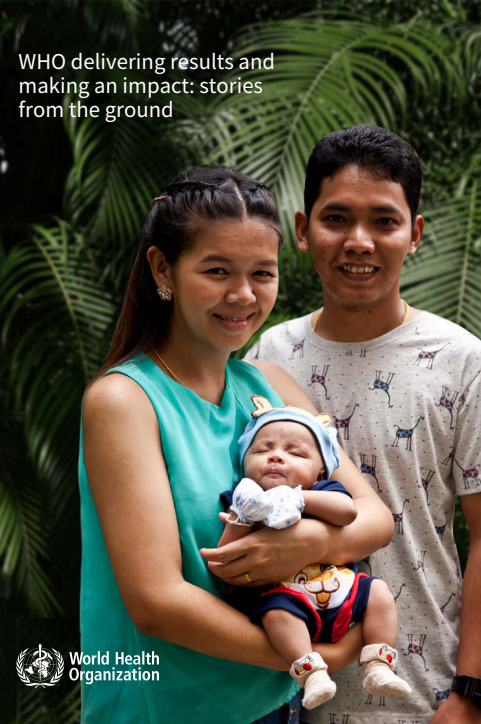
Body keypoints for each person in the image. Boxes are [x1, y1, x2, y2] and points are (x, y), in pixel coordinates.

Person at [80, 164, 395, 724]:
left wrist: (306, 542)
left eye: (262, 274)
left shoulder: (270, 384)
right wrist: (315, 658)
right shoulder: (124, 400)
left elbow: (374, 517)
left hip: (276, 705)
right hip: (168, 709)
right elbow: (157, 604)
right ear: (163, 268)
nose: (243, 295)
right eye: (217, 270)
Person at [241, 126, 481, 724]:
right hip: (283, 698)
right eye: (337, 218)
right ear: (303, 230)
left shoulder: (462, 362)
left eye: (383, 221)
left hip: (424, 698)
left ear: (414, 234)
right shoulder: (268, 355)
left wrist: (471, 693)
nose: (358, 241)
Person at [218, 397, 411, 711]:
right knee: (276, 613)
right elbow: (227, 555)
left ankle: (378, 665)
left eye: (294, 453)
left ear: (320, 471)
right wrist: (241, 517)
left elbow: (347, 512)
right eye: (262, 450)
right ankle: (311, 674)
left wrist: (297, 498)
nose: (276, 457)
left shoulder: (324, 491)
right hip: (284, 599)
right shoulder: (246, 497)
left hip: (338, 589)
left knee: (378, 591)